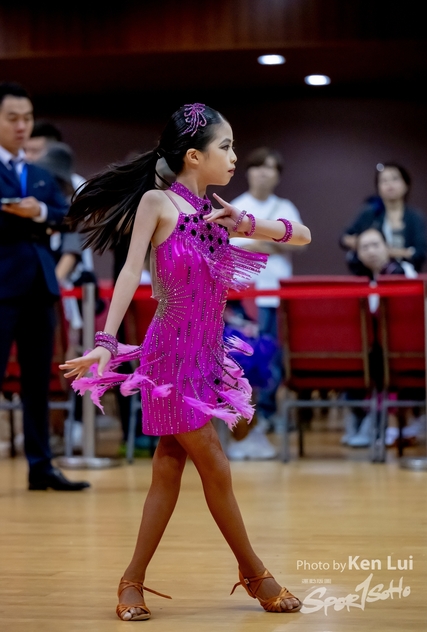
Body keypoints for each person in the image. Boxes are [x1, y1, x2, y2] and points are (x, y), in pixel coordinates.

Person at [60, 103, 311, 620]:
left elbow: (303, 236)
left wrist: (247, 222)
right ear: (194, 156)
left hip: (206, 356)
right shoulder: (158, 202)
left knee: (168, 467)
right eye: (226, 147)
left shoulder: (220, 216)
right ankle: (255, 572)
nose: (234, 157)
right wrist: (106, 340)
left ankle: (132, 581)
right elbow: (129, 271)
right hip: (169, 356)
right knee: (213, 460)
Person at [0, 81, 90, 491]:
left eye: (27, 118)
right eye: (12, 118)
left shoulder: (39, 174)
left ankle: (41, 466)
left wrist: (38, 212)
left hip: (39, 285)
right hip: (2, 285)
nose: (21, 126)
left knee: (38, 380)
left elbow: (66, 217)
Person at [227, 148, 304, 459]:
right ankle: (243, 418)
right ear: (248, 172)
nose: (263, 173)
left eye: (270, 168)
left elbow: (298, 242)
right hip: (241, 295)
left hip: (275, 295)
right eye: (258, 167)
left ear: (278, 175)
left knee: (272, 355)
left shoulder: (285, 207)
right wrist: (268, 242)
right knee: (241, 356)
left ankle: (268, 414)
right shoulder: (237, 206)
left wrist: (260, 243)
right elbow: (229, 246)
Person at [342, 227, 416, 447]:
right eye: (365, 247)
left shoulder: (401, 272)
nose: (371, 251)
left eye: (376, 245)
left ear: (387, 248)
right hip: (375, 348)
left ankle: (381, 422)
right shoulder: (363, 281)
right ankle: (361, 417)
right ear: (358, 254)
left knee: (380, 359)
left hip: (405, 348)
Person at [340, 162, 426, 275]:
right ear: (378, 187)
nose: (389, 184)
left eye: (394, 179)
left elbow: (420, 252)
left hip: (407, 274)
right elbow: (344, 238)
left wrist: (388, 252)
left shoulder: (415, 217)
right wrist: (367, 245)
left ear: (406, 185)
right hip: (372, 275)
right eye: (384, 181)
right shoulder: (370, 213)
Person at [24, 120, 86, 192]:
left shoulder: (78, 185)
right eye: (24, 151)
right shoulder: (18, 181)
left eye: (35, 151)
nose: (27, 156)